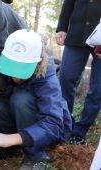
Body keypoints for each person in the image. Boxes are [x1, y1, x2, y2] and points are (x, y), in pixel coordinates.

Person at [0, 29, 72, 169]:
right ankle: (11, 147)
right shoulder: (4, 68)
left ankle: (36, 156)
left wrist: (10, 139)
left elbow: (53, 124)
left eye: (21, 69)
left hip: (46, 129)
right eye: (12, 67)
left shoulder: (47, 79)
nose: (15, 76)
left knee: (21, 99)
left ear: (38, 63)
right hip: (20, 122)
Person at [55, 0, 101, 144]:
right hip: (76, 34)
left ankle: (80, 131)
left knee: (98, 88)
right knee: (66, 78)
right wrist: (62, 27)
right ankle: (65, 123)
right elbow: (68, 3)